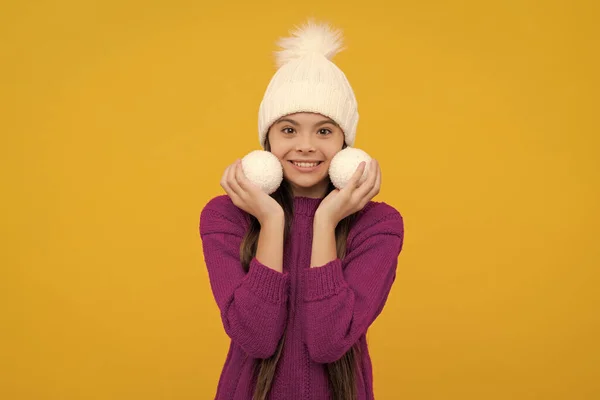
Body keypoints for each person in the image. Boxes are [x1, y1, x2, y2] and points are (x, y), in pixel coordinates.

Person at [199, 19, 405, 400]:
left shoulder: (379, 225)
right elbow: (256, 338)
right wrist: (272, 220)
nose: (306, 146)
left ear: (347, 144)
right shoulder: (225, 216)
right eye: (289, 130)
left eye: (324, 131)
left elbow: (328, 342)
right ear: (267, 140)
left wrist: (326, 220)